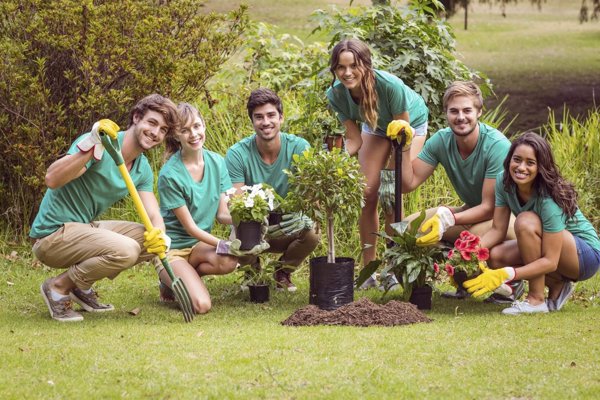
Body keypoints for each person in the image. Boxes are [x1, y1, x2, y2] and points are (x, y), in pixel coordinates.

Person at [30, 94, 178, 322]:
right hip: (53, 235)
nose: (156, 132)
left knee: (148, 240)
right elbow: (52, 179)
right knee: (127, 249)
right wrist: (91, 146)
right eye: (152, 122)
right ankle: (58, 287)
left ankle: (81, 285)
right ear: (137, 117)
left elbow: (152, 213)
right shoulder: (101, 143)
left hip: (83, 228)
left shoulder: (141, 168)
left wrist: (161, 234)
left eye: (163, 129)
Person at [398, 81, 520, 300]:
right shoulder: (442, 140)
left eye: (467, 110)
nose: (460, 117)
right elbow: (408, 183)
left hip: (508, 217)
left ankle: (510, 282)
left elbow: (489, 207)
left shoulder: (496, 145)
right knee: (406, 229)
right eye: (454, 111)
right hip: (472, 212)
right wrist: (405, 147)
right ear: (445, 113)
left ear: (479, 112)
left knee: (469, 239)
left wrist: (447, 219)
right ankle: (440, 286)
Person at [326, 38, 429, 289]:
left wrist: (390, 175)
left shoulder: (389, 86)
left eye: (353, 66)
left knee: (390, 195)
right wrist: (332, 162)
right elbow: (354, 140)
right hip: (375, 127)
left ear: (366, 65)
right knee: (366, 193)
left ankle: (393, 270)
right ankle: (368, 272)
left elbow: (402, 133)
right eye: (341, 67)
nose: (347, 73)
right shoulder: (336, 94)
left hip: (408, 127)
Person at [463, 132, 600, 314]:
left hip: (584, 255)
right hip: (553, 248)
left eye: (530, 163)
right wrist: (468, 254)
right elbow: (497, 230)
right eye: (517, 159)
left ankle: (536, 300)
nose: (521, 167)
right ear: (509, 159)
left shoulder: (548, 199)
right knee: (495, 256)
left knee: (526, 221)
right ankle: (557, 283)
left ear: (541, 167)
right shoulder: (503, 182)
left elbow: (550, 261)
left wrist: (509, 273)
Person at [156, 103, 269, 313]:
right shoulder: (170, 175)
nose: (194, 134)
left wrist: (250, 220)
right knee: (202, 305)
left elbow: (222, 214)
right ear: (176, 135)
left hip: (198, 247)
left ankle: (186, 279)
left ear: (204, 126)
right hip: (173, 250)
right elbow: (190, 229)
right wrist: (226, 244)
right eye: (185, 130)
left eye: (197, 126)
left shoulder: (217, 162)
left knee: (229, 262)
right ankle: (168, 279)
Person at [225, 88, 319, 291]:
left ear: (281, 118)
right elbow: (237, 202)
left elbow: (310, 195)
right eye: (258, 117)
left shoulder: (299, 147)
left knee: (313, 232)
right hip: (254, 225)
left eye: (270, 115)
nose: (265, 122)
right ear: (252, 121)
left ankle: (282, 271)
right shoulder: (237, 153)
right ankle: (253, 272)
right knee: (241, 232)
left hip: (288, 223)